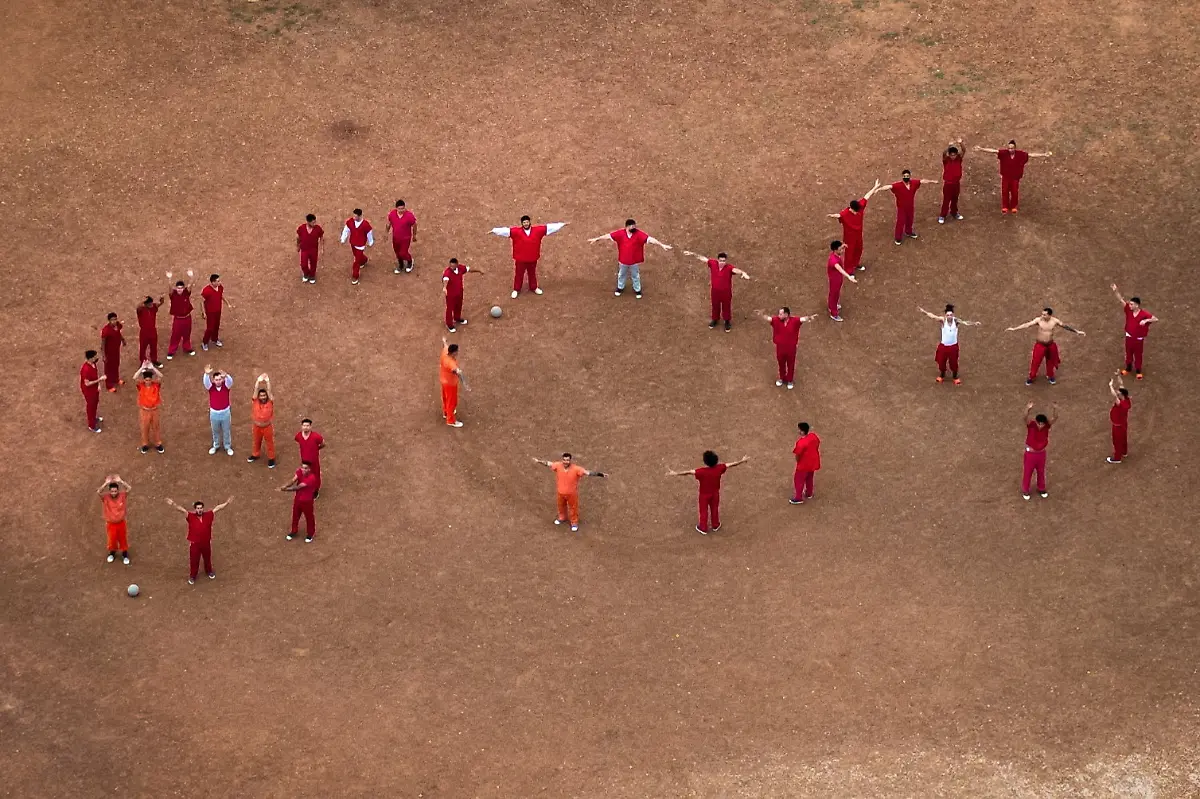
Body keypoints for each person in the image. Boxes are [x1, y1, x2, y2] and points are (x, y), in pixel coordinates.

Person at [667, 452, 750, 535]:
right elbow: (731, 464)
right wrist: (741, 461)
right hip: (715, 493)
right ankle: (715, 525)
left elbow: (689, 472)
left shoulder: (701, 471)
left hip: (704, 495)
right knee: (714, 509)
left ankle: (703, 527)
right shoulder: (719, 468)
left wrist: (676, 473)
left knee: (703, 511)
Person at [586, 219, 672, 299]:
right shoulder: (620, 234)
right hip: (623, 261)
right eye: (632, 227)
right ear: (627, 227)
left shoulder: (638, 234)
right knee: (621, 274)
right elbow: (608, 236)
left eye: (634, 226)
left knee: (635, 275)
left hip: (634, 261)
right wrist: (597, 239)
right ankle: (620, 287)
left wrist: (661, 245)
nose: (634, 228)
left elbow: (650, 239)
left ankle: (637, 289)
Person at [489, 215, 568, 299]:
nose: (526, 224)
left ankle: (534, 287)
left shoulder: (538, 230)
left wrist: (562, 224)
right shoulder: (516, 232)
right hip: (520, 259)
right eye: (524, 222)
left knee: (532, 273)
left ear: (530, 222)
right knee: (519, 274)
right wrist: (494, 230)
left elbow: (550, 227)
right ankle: (516, 289)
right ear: (522, 223)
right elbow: (505, 231)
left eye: (527, 222)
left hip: (532, 258)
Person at [1006, 308, 1086, 385]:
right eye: (1042, 314)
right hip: (1040, 345)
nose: (1042, 316)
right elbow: (1027, 324)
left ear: (1049, 315)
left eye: (1044, 315)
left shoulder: (1055, 321)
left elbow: (1065, 326)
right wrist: (1014, 329)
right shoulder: (1039, 320)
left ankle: (1050, 375)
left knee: (1050, 362)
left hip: (1050, 345)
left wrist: (1077, 331)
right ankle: (1031, 377)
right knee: (1035, 362)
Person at [531, 453, 607, 532]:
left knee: (573, 508)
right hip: (560, 492)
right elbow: (548, 463)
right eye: (564, 460)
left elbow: (587, 473)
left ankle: (574, 522)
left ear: (570, 460)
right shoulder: (558, 465)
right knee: (561, 506)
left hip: (572, 494)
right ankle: (562, 518)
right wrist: (538, 461)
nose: (565, 462)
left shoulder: (576, 469)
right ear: (562, 460)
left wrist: (600, 474)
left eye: (567, 460)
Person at [166, 496, 233, 584]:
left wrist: (227, 503)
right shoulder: (190, 516)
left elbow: (218, 508)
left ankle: (209, 571)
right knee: (194, 561)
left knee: (207, 559)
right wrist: (173, 504)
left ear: (203, 508)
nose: (199, 510)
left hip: (206, 543)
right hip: (195, 544)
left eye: (201, 508)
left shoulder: (208, 515)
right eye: (198, 508)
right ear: (195, 509)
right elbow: (181, 510)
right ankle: (193, 576)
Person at [679, 250, 751, 331]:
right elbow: (703, 259)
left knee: (726, 307)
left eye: (724, 261)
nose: (722, 262)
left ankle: (727, 321)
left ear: (726, 261)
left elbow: (736, 270)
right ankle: (715, 319)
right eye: (720, 261)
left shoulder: (729, 268)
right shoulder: (713, 264)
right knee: (715, 306)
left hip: (726, 293)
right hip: (715, 292)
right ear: (718, 260)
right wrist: (692, 254)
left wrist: (742, 273)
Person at [974, 141, 1053, 214]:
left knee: (1014, 192)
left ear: (1015, 148)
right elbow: (994, 151)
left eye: (1012, 148)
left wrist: (1043, 154)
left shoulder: (1020, 154)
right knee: (1005, 191)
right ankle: (1005, 206)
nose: (1010, 150)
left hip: (1015, 177)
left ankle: (1013, 206)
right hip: (1006, 176)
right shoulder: (1004, 153)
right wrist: (981, 149)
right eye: (1009, 148)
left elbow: (1031, 155)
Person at [827, 179, 885, 273]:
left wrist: (874, 187)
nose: (857, 213)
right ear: (851, 208)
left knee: (859, 249)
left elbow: (867, 196)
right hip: (849, 238)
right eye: (855, 211)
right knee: (849, 253)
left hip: (858, 235)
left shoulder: (859, 207)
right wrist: (833, 215)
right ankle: (849, 270)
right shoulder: (845, 214)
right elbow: (839, 215)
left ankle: (856, 264)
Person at [919, 304, 981, 384]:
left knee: (954, 362)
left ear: (953, 315)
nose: (949, 316)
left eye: (951, 315)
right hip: (943, 347)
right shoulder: (943, 320)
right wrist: (924, 312)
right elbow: (933, 316)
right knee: (941, 362)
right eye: (948, 315)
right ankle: (942, 375)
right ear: (945, 315)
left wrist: (974, 323)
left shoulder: (956, 321)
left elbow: (965, 323)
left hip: (953, 347)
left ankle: (955, 377)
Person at [758, 308, 817, 389]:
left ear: (786, 314)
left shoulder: (795, 321)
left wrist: (810, 317)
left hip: (791, 348)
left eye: (781, 314)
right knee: (781, 364)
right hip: (780, 348)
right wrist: (761, 315)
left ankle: (790, 380)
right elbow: (768, 318)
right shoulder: (776, 320)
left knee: (791, 364)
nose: (779, 316)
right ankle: (781, 378)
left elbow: (803, 319)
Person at [1111, 283, 1158, 379]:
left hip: (1138, 340)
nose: (1130, 305)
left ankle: (1138, 371)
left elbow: (1155, 319)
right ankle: (1128, 368)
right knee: (1128, 353)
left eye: (1132, 304)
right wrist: (1116, 291)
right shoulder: (1129, 310)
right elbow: (1121, 300)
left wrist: (1146, 320)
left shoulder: (1144, 314)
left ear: (1137, 305)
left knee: (1138, 355)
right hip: (1129, 337)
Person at [886, 169, 938, 244]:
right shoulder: (898, 185)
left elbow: (922, 181)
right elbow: (889, 186)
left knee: (910, 220)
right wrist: (878, 189)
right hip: (902, 208)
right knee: (901, 221)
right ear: (902, 177)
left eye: (907, 176)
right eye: (904, 176)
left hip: (910, 207)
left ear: (910, 176)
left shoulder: (913, 183)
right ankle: (898, 237)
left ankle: (908, 232)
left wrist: (932, 181)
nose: (906, 177)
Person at [1021, 401, 1057, 500]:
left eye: (1042, 424)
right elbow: (1024, 418)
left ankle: (1041, 488)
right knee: (1028, 472)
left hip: (1041, 453)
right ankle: (1025, 490)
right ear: (1036, 421)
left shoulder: (1046, 426)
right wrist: (1027, 409)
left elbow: (1054, 419)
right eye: (1039, 423)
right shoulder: (1031, 425)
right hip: (1030, 454)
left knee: (1041, 471)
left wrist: (1055, 409)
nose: (1040, 425)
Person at [97, 474, 132, 565]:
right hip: (111, 524)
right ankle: (112, 553)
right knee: (112, 540)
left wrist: (121, 482)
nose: (114, 493)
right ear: (109, 491)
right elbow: (98, 492)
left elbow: (129, 488)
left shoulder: (122, 495)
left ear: (118, 490)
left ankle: (125, 554)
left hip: (121, 523)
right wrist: (105, 483)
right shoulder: (105, 497)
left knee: (122, 539)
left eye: (115, 491)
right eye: (112, 491)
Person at [281, 461, 318, 542]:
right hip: (298, 499)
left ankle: (310, 533)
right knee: (295, 515)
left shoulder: (312, 478)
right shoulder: (300, 472)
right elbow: (293, 480)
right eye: (302, 467)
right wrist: (285, 485)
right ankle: (294, 531)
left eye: (305, 468)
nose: (303, 470)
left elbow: (298, 487)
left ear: (309, 469)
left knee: (309, 517)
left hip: (307, 501)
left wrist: (285, 489)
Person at [442, 258, 481, 333]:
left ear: (456, 264)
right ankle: (449, 324)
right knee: (449, 309)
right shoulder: (447, 272)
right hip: (450, 295)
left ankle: (457, 318)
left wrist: (479, 271)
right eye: (450, 266)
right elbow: (445, 280)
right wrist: (444, 287)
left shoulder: (460, 268)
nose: (451, 267)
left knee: (459, 305)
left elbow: (469, 269)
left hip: (459, 292)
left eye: (453, 266)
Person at [202, 365, 234, 455]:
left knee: (226, 430)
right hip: (214, 413)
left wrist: (226, 375)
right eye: (216, 380)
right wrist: (206, 374)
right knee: (215, 431)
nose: (218, 381)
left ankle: (227, 447)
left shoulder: (226, 386)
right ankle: (216, 445)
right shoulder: (210, 387)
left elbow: (231, 382)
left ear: (222, 379)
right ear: (213, 380)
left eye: (220, 379)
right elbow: (205, 382)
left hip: (225, 413)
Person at [165, 270, 197, 359]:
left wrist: (191, 277)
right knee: (175, 334)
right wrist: (169, 279)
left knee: (187, 334)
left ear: (183, 288)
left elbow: (190, 285)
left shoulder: (186, 293)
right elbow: (170, 288)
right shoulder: (173, 295)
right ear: (176, 288)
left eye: (181, 288)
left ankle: (187, 347)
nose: (179, 290)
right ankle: (171, 351)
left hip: (187, 318)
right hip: (178, 319)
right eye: (178, 288)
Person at [135, 361, 165, 454]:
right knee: (145, 427)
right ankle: (145, 444)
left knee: (156, 427)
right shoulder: (141, 386)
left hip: (154, 410)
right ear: (144, 380)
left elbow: (161, 376)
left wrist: (153, 368)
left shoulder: (156, 385)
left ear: (151, 380)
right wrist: (141, 368)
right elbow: (135, 377)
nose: (148, 381)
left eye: (149, 380)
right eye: (146, 380)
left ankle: (158, 443)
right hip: (145, 411)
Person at [439, 338, 469, 427]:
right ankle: (451, 420)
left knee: (445, 398)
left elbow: (445, 345)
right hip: (450, 384)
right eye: (457, 352)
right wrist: (465, 384)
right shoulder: (451, 363)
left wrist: (444, 341)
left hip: (443, 380)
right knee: (452, 401)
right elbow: (459, 373)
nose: (458, 353)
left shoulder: (445, 352)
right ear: (453, 353)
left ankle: (446, 413)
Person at [247, 373, 276, 468]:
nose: (263, 397)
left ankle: (271, 458)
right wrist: (258, 381)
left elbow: (269, 390)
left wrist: (267, 381)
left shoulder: (270, 401)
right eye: (261, 396)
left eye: (264, 395)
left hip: (267, 427)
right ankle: (255, 454)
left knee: (269, 443)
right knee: (256, 441)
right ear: (258, 397)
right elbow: (255, 390)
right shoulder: (255, 401)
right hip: (256, 427)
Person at [340, 208, 374, 284]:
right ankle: (364, 260)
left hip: (360, 245)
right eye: (354, 216)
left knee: (356, 261)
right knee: (357, 256)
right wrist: (343, 238)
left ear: (360, 216)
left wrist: (370, 241)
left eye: (355, 216)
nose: (354, 218)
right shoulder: (351, 222)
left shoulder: (365, 224)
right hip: (352, 243)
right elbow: (346, 230)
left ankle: (355, 276)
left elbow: (369, 233)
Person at [825, 240, 857, 322]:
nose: (842, 251)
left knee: (834, 293)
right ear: (835, 250)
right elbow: (839, 269)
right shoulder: (833, 260)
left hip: (837, 279)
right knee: (834, 295)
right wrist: (849, 276)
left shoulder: (835, 254)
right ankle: (834, 313)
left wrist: (843, 245)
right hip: (835, 280)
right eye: (840, 249)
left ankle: (831, 306)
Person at [790, 423, 821, 504]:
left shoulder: (801, 443)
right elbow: (817, 444)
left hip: (804, 465)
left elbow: (798, 455)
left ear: (802, 431)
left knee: (798, 480)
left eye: (799, 429)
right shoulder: (813, 436)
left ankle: (798, 498)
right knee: (809, 478)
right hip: (813, 462)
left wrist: (798, 462)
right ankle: (809, 493)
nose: (798, 431)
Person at [200, 274, 232, 350]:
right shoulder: (206, 290)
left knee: (216, 326)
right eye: (218, 281)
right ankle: (204, 342)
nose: (219, 282)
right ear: (213, 282)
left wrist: (228, 304)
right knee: (210, 328)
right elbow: (201, 301)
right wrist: (203, 312)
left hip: (218, 311)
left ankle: (214, 339)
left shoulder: (220, 287)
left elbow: (221, 296)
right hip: (210, 313)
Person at [385, 199, 418, 273]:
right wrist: (386, 233)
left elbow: (414, 225)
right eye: (399, 209)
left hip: (406, 238)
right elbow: (389, 223)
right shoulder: (392, 214)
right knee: (397, 252)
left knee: (403, 253)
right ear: (396, 208)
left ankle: (410, 261)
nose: (401, 210)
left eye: (403, 208)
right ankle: (401, 265)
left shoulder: (409, 216)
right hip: (395, 238)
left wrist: (414, 235)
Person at [295, 419, 326, 497]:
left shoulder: (316, 436)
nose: (306, 427)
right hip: (304, 461)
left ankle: (315, 491)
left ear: (310, 427)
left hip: (314, 461)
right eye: (304, 425)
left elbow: (323, 443)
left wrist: (316, 449)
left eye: (307, 426)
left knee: (315, 475)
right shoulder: (299, 436)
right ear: (302, 426)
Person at [938, 138, 966, 224]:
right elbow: (943, 153)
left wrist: (961, 143)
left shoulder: (959, 159)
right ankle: (942, 215)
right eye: (951, 155)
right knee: (946, 200)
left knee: (955, 199)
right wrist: (949, 146)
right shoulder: (946, 160)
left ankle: (954, 212)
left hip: (956, 184)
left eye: (954, 155)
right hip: (948, 184)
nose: (953, 156)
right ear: (949, 155)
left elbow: (964, 150)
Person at [1107, 372, 1132, 464]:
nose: (1117, 392)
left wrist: (1110, 386)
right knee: (1123, 438)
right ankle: (1124, 452)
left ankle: (1117, 458)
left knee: (1117, 441)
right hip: (1123, 424)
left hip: (1117, 426)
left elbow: (1114, 395)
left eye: (1119, 392)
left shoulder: (1121, 404)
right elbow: (1121, 384)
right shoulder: (1127, 400)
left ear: (1122, 395)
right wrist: (1118, 376)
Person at [79, 350, 105, 433]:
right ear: (90, 358)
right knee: (91, 406)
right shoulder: (85, 369)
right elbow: (87, 383)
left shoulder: (93, 364)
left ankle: (94, 418)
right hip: (89, 391)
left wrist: (98, 385)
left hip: (94, 389)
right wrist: (99, 380)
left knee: (95, 403)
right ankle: (91, 425)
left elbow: (95, 374)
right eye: (95, 357)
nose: (96, 358)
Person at [99, 312, 126, 392]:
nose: (114, 321)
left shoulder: (117, 325)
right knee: (108, 368)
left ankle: (116, 379)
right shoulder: (106, 331)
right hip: (109, 352)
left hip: (116, 350)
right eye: (112, 320)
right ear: (109, 321)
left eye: (115, 319)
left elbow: (118, 333)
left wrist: (122, 339)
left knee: (116, 364)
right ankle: (109, 384)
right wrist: (104, 355)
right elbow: (103, 344)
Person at [135, 294, 164, 368]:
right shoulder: (141, 310)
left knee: (153, 347)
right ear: (146, 304)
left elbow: (160, 303)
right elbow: (138, 307)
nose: (151, 305)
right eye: (149, 304)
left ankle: (154, 360)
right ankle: (142, 361)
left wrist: (161, 300)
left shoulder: (153, 307)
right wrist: (143, 301)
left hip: (153, 331)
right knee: (143, 348)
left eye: (152, 303)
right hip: (144, 333)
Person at [296, 213, 324, 283]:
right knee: (303, 264)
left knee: (313, 263)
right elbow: (298, 238)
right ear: (308, 222)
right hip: (304, 249)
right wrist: (298, 246)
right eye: (313, 222)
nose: (315, 224)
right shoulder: (302, 228)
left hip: (314, 249)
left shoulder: (318, 228)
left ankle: (312, 275)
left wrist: (322, 247)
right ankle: (306, 274)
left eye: (315, 222)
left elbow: (321, 237)